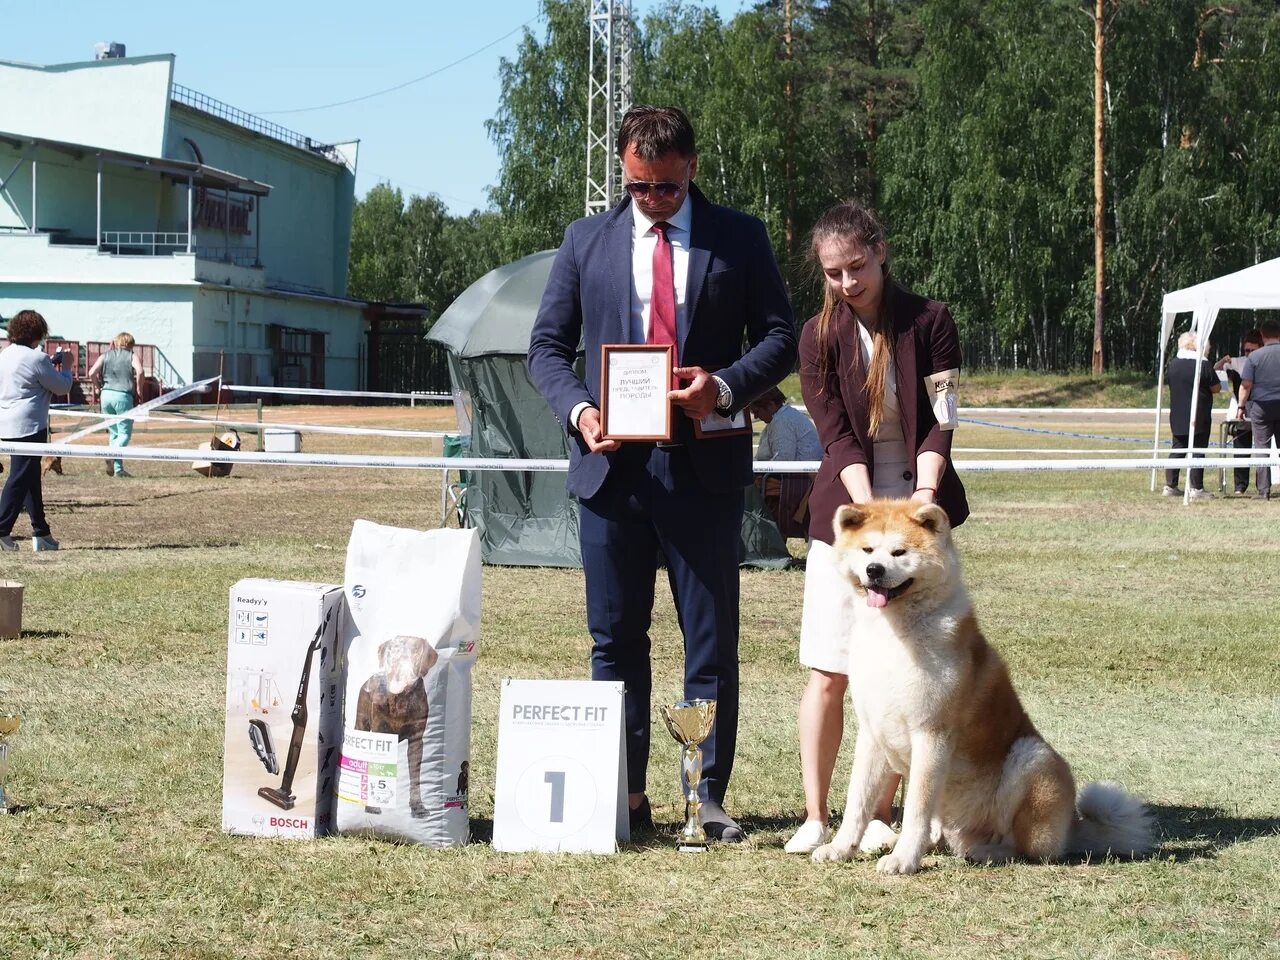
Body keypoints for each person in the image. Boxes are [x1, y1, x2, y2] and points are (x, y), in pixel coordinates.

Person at [528, 105, 797, 842]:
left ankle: (702, 796)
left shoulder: (739, 237)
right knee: (614, 641)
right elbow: (547, 349)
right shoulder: (586, 241)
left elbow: (782, 337)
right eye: (640, 187)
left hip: (704, 474)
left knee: (710, 644)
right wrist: (583, 413)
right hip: (612, 477)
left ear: (693, 169)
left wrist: (724, 386)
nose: (652, 200)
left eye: (667, 188)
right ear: (624, 171)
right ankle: (622, 792)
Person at [786, 201, 969, 855]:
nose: (845, 283)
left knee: (905, 675)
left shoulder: (932, 320)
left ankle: (881, 816)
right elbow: (834, 433)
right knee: (829, 671)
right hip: (850, 516)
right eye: (833, 272)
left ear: (881, 251)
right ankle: (815, 815)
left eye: (856, 267)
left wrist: (920, 505)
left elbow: (939, 418)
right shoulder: (815, 336)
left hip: (915, 515)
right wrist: (866, 520)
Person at [0, 309, 73, 551]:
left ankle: (41, 532)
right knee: (19, 479)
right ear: (37, 333)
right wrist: (67, 367)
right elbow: (61, 387)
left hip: (7, 424)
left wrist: (50, 366)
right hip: (29, 426)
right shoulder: (36, 358)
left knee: (31, 479)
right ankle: (1, 530)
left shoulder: (5, 354)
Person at [747, 386, 822, 539]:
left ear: (770, 405)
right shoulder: (784, 417)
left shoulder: (782, 421)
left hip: (799, 480)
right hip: (798, 476)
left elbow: (783, 459)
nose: (756, 416)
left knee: (748, 487)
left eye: (757, 411)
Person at [1164, 331, 1221, 500]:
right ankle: (1196, 487)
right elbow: (1216, 387)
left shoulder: (1173, 364)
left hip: (1178, 412)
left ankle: (1170, 484)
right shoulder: (1203, 365)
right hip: (1199, 413)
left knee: (1178, 448)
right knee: (1198, 450)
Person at [87, 332, 144, 477]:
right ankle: (111, 455)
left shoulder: (105, 355)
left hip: (106, 395)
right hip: (123, 396)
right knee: (124, 433)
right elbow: (140, 371)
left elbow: (92, 372)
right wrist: (139, 389)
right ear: (130, 344)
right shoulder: (132, 355)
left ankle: (118, 470)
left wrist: (98, 387)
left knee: (114, 433)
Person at [1235, 318, 1280, 500]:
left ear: (1262, 335)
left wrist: (1241, 406)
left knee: (1262, 447)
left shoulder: (1254, 357)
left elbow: (1246, 385)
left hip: (1261, 406)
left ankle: (1264, 491)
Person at [1214, 330, 1263, 494]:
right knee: (1241, 448)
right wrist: (1223, 360)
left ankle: (1262, 485)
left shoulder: (1266, 361)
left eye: (1252, 350)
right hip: (1240, 410)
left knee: (1262, 449)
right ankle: (1240, 486)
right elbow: (1216, 369)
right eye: (1246, 350)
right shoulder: (1238, 362)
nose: (1248, 353)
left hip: (1261, 409)